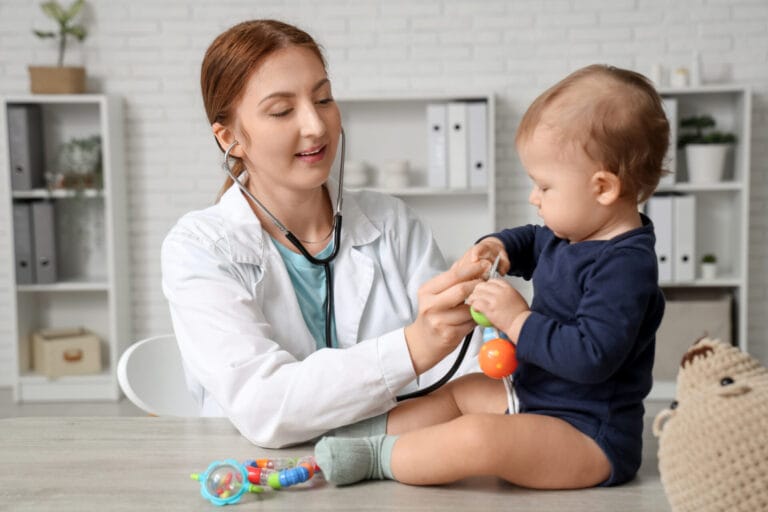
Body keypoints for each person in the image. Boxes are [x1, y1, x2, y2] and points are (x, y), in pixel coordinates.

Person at [314, 64, 668, 488]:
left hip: (587, 435)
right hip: (533, 399)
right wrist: (496, 247)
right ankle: (366, 432)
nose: (534, 198)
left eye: (545, 186)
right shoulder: (571, 235)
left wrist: (516, 320)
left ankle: (377, 457)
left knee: (480, 438)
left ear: (603, 188)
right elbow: (531, 242)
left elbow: (591, 356)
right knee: (463, 391)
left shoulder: (626, 268)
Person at [161, 20, 487, 448]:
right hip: (258, 480)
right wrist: (414, 346)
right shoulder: (198, 249)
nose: (316, 125)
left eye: (324, 98)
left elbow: (467, 375)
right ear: (230, 138)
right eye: (282, 110)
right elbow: (264, 406)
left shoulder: (393, 224)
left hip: (401, 469)